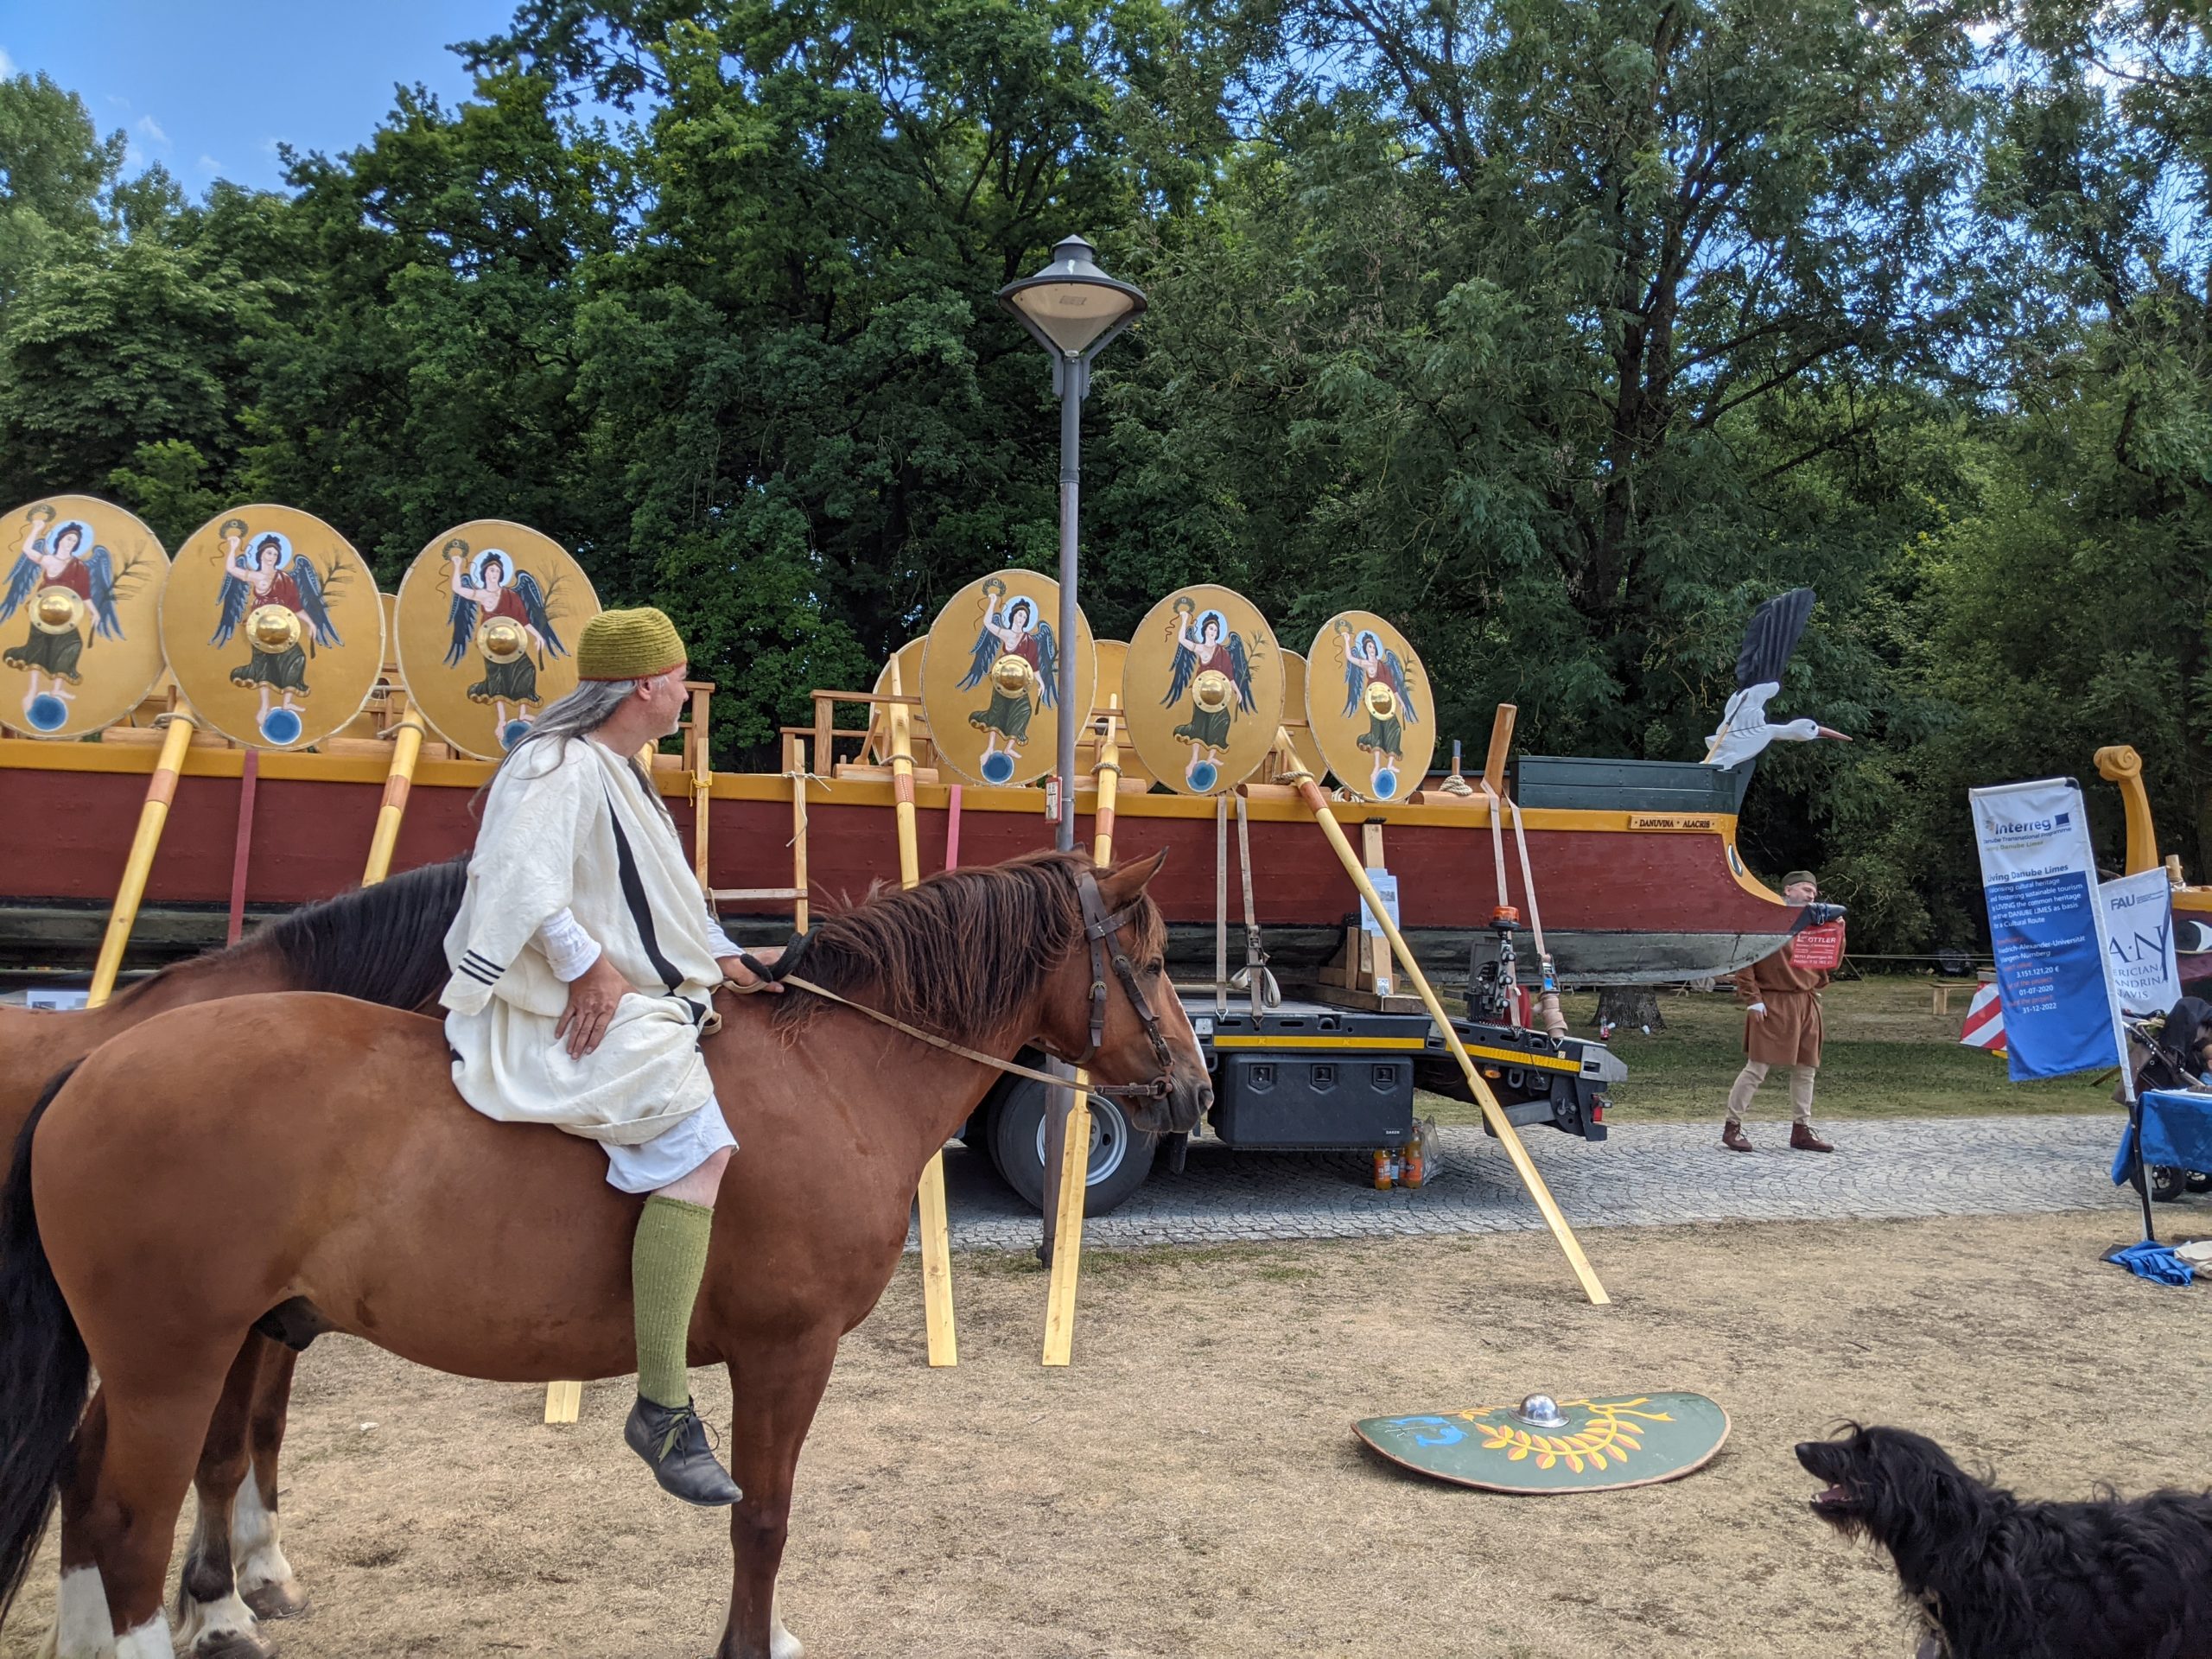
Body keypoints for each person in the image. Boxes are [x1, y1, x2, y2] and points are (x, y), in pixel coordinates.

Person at [439, 606, 779, 1506]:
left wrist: (728, 958)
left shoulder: (622, 769)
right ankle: (662, 1406)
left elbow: (666, 899)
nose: (686, 693)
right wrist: (586, 968)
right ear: (643, 687)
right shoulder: (555, 763)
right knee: (699, 1146)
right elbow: (519, 880)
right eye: (679, 679)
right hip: (555, 1001)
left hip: (640, 986)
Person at [1721, 869, 1834, 1153]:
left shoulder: (1815, 923)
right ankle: (1732, 1126)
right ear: (1788, 890)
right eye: (1806, 889)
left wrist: (1837, 932)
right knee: (1757, 1067)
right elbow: (1746, 961)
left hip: (1806, 1000)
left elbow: (1829, 962)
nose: (1812, 895)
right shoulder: (1766, 920)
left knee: (1806, 1068)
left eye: (1814, 891)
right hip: (1773, 1000)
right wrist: (1753, 998)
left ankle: (1801, 1129)